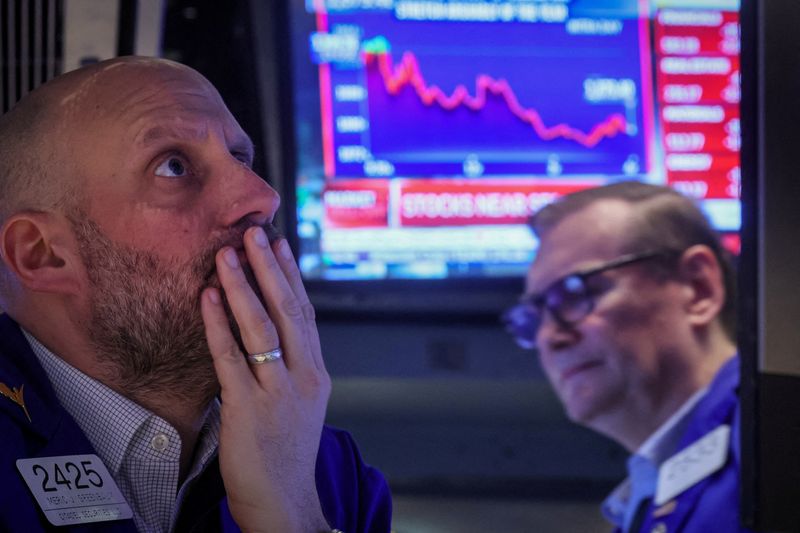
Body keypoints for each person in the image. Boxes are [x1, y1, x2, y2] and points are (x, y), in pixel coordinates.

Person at [0, 56, 391, 532]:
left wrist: (291, 513)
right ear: (43, 255)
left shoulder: (326, 472)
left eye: (240, 158)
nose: (261, 196)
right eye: (174, 166)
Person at [504, 181, 751, 532]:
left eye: (577, 292)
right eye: (535, 315)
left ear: (698, 288)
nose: (549, 337)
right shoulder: (643, 499)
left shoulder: (771, 428)